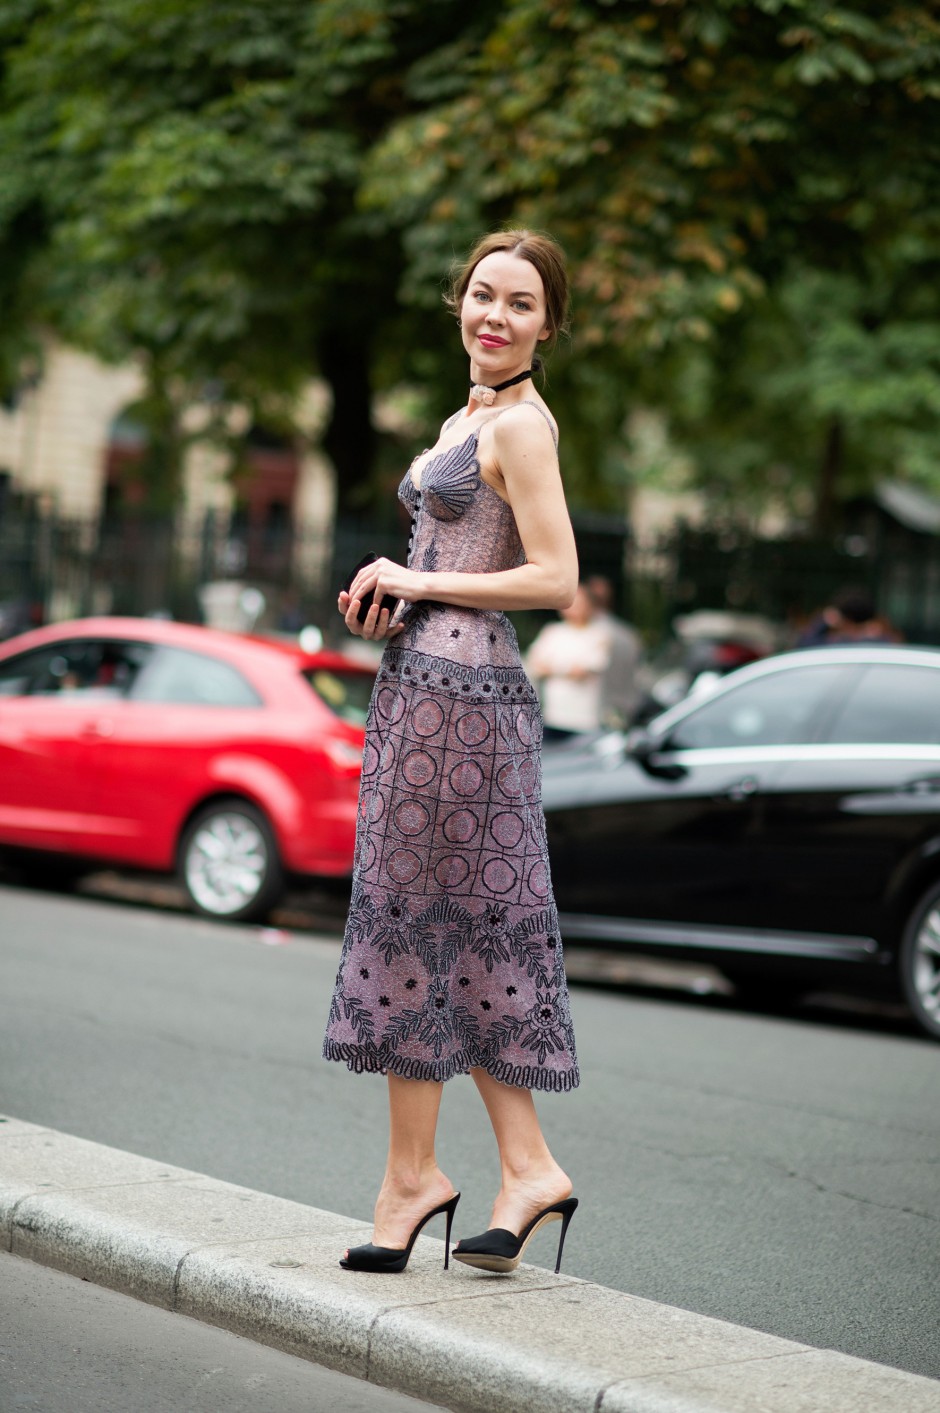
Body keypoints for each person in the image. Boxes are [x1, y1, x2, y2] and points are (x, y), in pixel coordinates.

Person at [323, 229, 580, 1278]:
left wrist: (422, 584)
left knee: (411, 925)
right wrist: (391, 600)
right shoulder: (464, 416)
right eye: (483, 295)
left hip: (462, 709)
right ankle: (519, 1170)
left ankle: (413, 1181)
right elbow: (446, 554)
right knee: (446, 930)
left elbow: (555, 577)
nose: (496, 315)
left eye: (520, 304)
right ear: (458, 302)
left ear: (547, 326)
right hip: (422, 688)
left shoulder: (520, 426)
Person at [525, 583, 612, 738]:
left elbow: (582, 672)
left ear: (590, 605)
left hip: (584, 719)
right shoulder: (552, 632)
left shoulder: (599, 635)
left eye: (579, 603)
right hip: (552, 716)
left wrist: (552, 669)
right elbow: (534, 666)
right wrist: (567, 669)